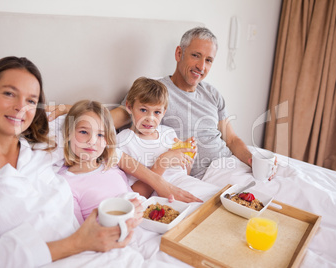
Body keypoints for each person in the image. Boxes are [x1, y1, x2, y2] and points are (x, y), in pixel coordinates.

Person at [0, 56, 144, 268]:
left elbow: (99, 122)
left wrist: (159, 183)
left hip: (92, 249)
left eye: (31, 101)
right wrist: (77, 243)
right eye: (9, 93)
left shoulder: (43, 146)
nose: (20, 108)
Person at [111, 27, 253, 179]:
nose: (201, 66)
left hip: (230, 164)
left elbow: (231, 139)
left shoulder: (212, 93)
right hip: (204, 176)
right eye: (195, 56)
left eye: (208, 60)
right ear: (179, 53)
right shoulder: (154, 94)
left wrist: (252, 160)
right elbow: (102, 122)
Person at [116, 77, 219, 200]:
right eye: (143, 110)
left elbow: (183, 174)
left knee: (223, 199)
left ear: (164, 112)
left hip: (188, 184)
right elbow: (134, 195)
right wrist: (162, 162)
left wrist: (188, 155)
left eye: (157, 112)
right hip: (163, 198)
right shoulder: (123, 142)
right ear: (129, 107)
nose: (150, 118)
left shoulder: (168, 133)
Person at [57, 99, 147, 224]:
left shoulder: (111, 166)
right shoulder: (65, 183)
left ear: (107, 140)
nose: (92, 141)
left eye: (100, 135)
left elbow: (132, 196)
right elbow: (79, 234)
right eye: (83, 132)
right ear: (68, 134)